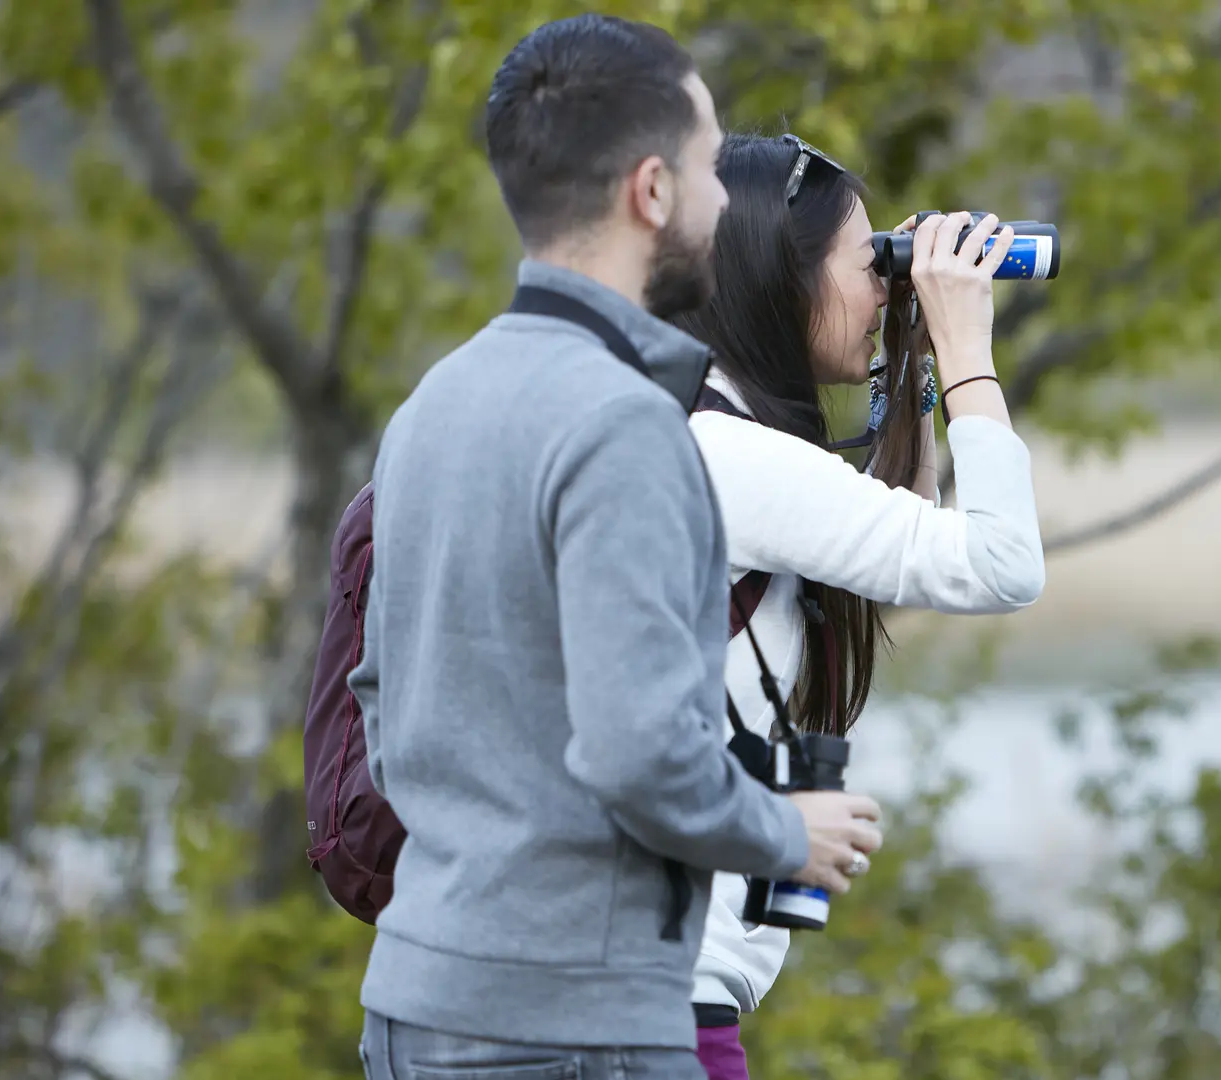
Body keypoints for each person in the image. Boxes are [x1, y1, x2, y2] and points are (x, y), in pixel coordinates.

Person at [348, 22, 883, 1079]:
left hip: (415, 1010)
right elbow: (639, 750)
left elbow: (379, 700)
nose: (726, 202)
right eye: (707, 166)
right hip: (576, 1032)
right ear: (651, 192)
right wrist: (783, 831)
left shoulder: (431, 405)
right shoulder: (625, 423)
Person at [670, 134, 1046, 1079]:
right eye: (866, 261)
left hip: (651, 995)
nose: (885, 281)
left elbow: (889, 543)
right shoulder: (732, 456)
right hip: (658, 1013)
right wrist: (969, 351)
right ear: (781, 282)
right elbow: (1002, 563)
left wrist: (914, 352)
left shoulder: (698, 427)